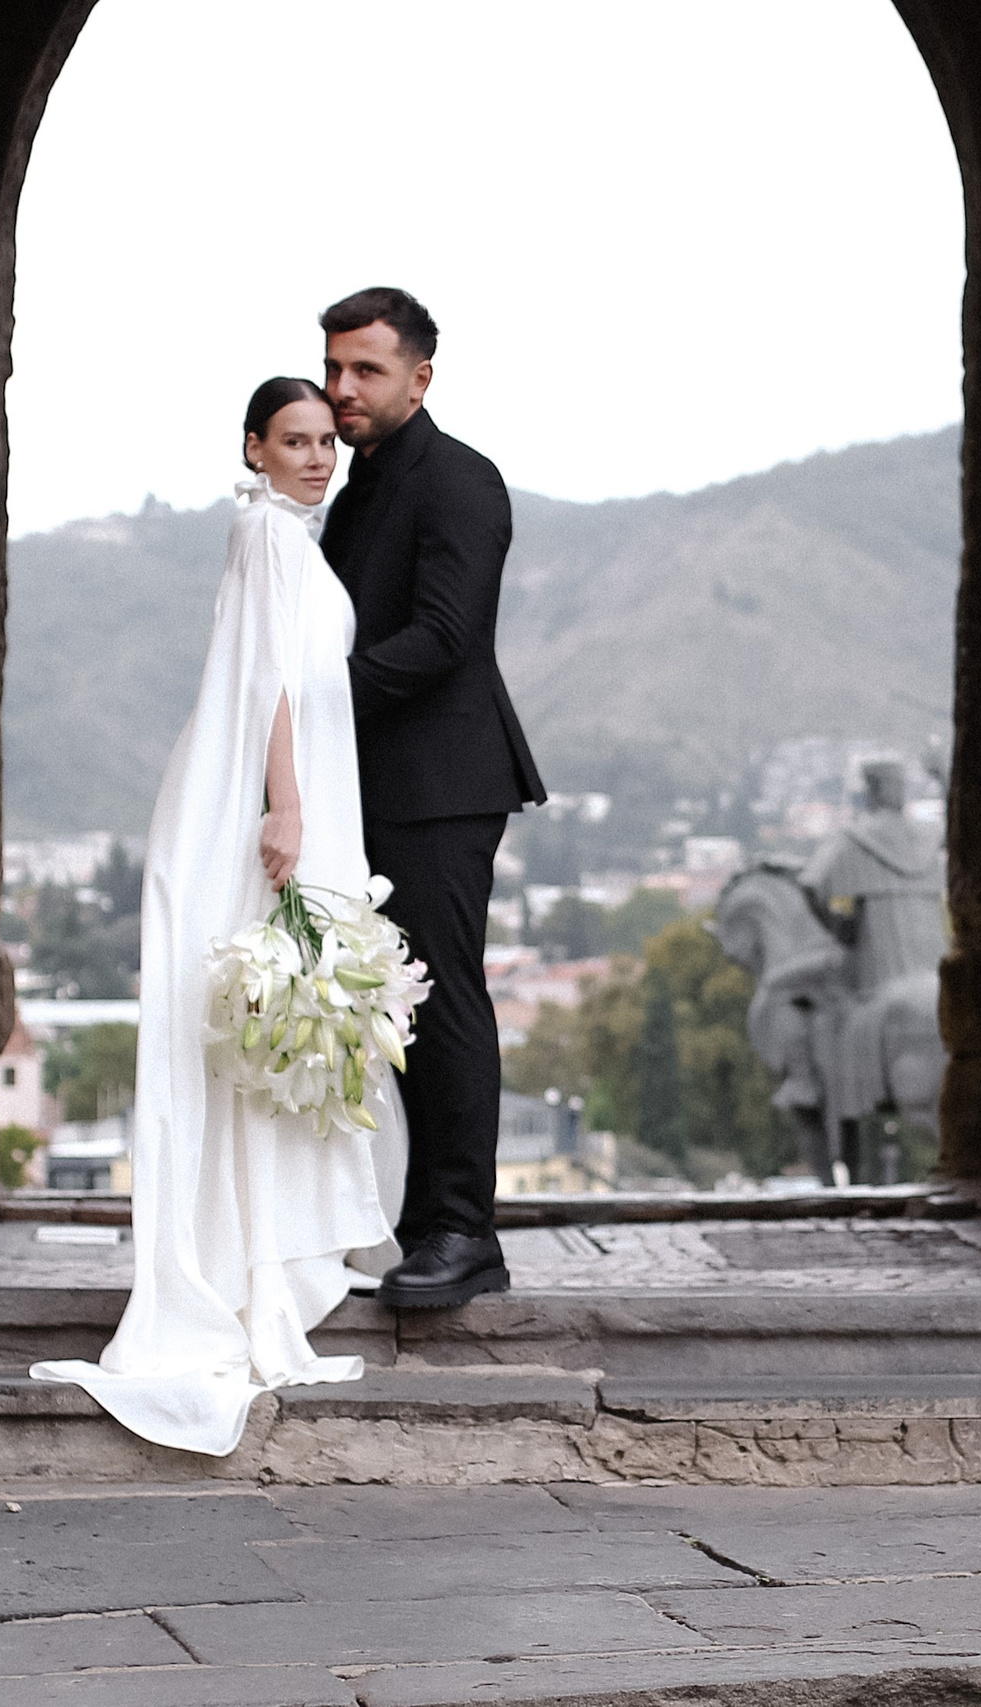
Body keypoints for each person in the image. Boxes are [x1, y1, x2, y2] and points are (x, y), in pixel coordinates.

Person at [30, 379, 397, 1456]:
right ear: (254, 447)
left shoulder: (284, 536)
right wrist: (286, 804)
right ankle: (249, 1281)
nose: (317, 458)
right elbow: (273, 687)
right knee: (260, 1032)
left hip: (283, 798)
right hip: (268, 802)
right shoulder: (269, 535)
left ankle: (254, 1270)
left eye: (328, 441)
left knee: (266, 1041)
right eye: (296, 440)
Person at [316, 287, 547, 1310]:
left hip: (441, 786)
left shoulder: (460, 481)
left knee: (442, 995)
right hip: (361, 782)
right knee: (385, 1007)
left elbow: (444, 636)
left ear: (420, 376)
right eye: (333, 369)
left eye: (365, 369)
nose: (341, 389)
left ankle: (464, 1231)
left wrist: (302, 699)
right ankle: (414, 1224)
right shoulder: (355, 489)